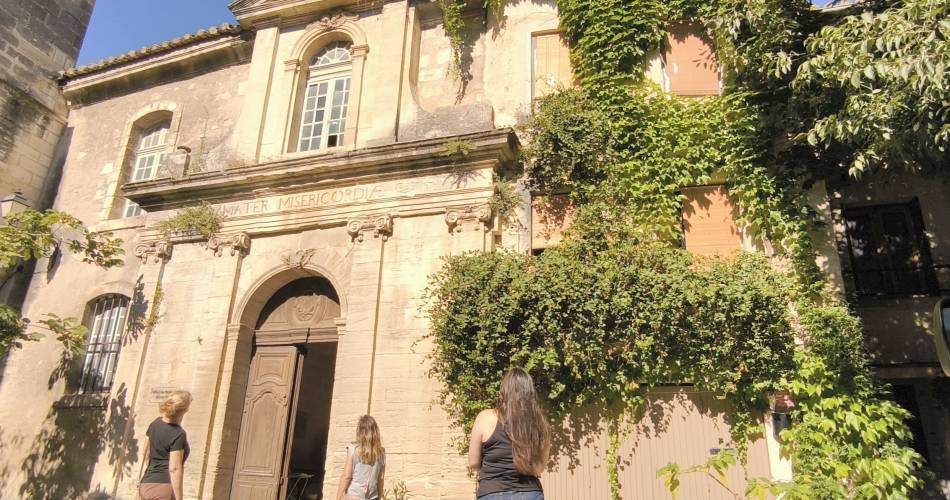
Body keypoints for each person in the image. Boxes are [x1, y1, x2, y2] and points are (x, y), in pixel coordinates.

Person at [468, 368, 551, 500]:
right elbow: (539, 467)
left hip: (492, 492)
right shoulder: (539, 423)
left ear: (503, 392)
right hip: (530, 493)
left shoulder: (485, 417)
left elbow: (473, 463)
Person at [138, 390, 192, 500]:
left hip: (146, 484)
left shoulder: (154, 424)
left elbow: (145, 454)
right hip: (163, 488)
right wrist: (179, 497)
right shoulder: (178, 434)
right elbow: (174, 468)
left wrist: (141, 479)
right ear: (185, 410)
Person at [336, 415, 386, 500]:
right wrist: (379, 496)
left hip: (354, 495)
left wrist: (338, 497)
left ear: (360, 431)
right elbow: (380, 479)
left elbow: (346, 476)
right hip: (372, 496)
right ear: (375, 432)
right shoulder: (381, 452)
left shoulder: (353, 449)